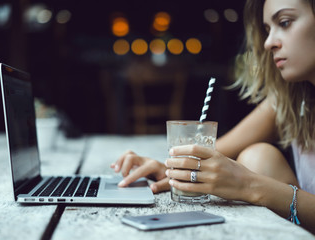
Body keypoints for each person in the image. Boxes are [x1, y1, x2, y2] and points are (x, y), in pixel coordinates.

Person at [110, 0, 315, 234]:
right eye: (267, 30)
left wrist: (250, 186)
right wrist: (170, 170)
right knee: (258, 156)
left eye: (285, 22)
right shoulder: (293, 101)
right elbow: (213, 153)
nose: (269, 43)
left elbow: (243, 180)